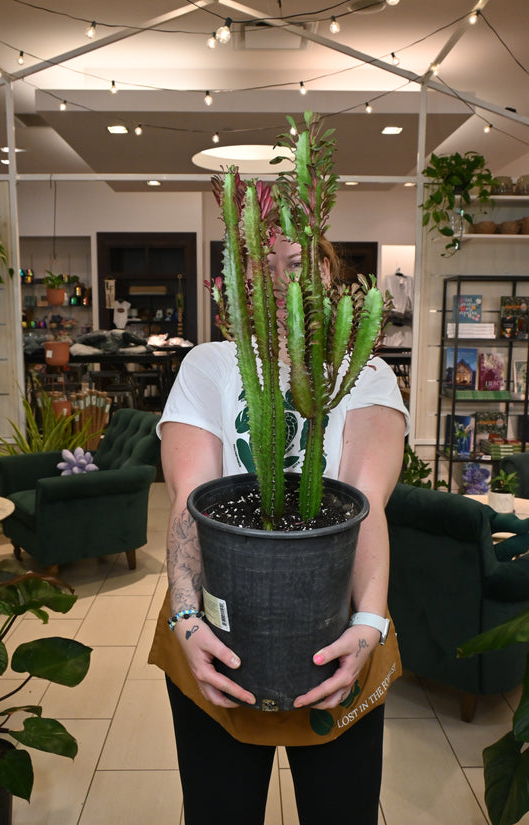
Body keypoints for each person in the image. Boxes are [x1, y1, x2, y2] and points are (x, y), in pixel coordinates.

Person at [148, 235, 409, 825]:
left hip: (335, 627)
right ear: (238, 286)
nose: (280, 281)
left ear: (327, 271)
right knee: (220, 809)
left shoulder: (365, 373)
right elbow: (188, 502)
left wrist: (369, 621)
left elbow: (367, 504)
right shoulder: (209, 365)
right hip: (218, 633)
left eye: (297, 264)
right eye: (260, 267)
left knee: (341, 810)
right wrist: (186, 619)